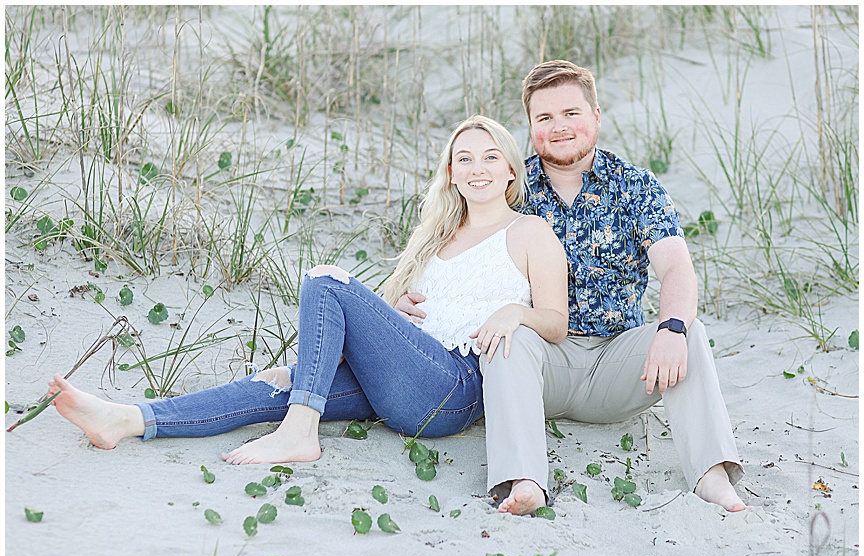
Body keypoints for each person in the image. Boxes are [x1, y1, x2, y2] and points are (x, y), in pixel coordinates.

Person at [44, 115, 569, 468]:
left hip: (453, 386)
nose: (477, 169)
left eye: (489, 157)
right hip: (403, 379)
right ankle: (127, 419)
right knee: (274, 389)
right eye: (465, 160)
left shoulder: (530, 232)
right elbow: (386, 325)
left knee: (325, 278)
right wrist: (320, 362)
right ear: (451, 175)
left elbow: (556, 321)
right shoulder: (434, 238)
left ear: (510, 169)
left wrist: (513, 312)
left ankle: (300, 430)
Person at [396, 61, 746, 515]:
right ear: (529, 127)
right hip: (538, 363)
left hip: (616, 363)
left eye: (571, 113)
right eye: (544, 118)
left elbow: (676, 269)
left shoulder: (635, 187)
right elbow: (453, 252)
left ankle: (711, 475)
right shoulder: (509, 185)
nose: (559, 127)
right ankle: (524, 480)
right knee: (510, 333)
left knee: (689, 331)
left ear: (596, 115)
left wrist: (672, 326)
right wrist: (410, 297)